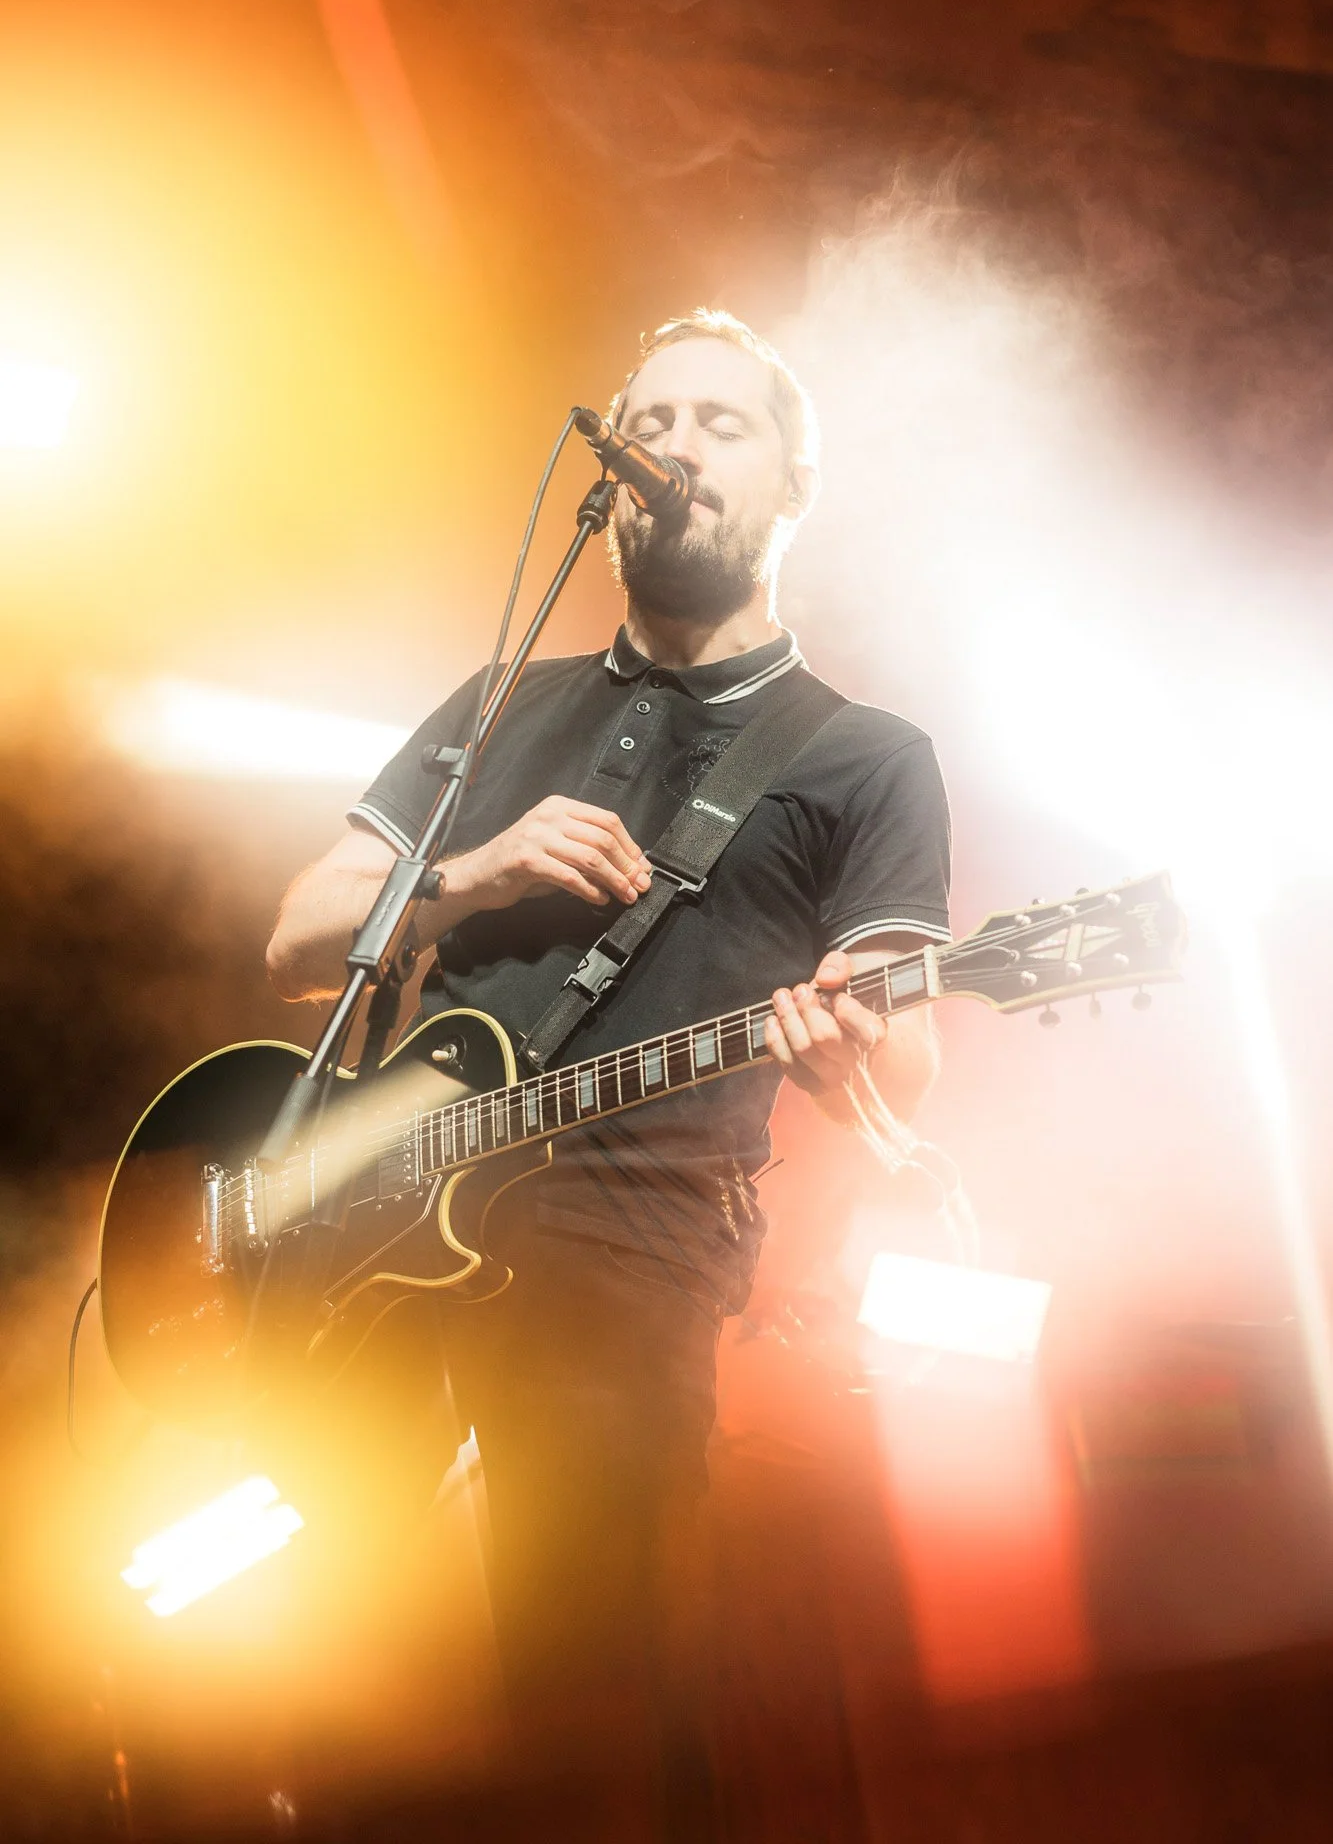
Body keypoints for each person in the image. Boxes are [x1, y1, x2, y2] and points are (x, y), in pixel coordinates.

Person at [264, 310, 951, 1832]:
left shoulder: (863, 755)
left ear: (793, 485)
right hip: (381, 1235)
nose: (677, 448)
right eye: (654, 419)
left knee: (595, 1706)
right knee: (331, 1681)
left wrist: (852, 1050)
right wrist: (469, 871)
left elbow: (912, 1048)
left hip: (631, 1246)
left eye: (722, 423)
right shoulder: (505, 705)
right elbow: (299, 935)